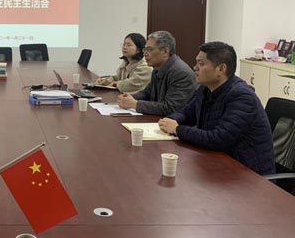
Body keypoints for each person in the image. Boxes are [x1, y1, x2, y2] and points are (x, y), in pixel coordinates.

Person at [159, 42, 275, 175]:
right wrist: (170, 121)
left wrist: (177, 129)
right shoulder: (206, 88)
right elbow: (186, 114)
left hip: (248, 174)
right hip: (217, 162)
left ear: (221, 69)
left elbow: (218, 139)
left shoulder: (242, 97)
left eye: (201, 64)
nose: (195, 67)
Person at [117, 30, 197, 116]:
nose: (145, 54)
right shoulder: (157, 68)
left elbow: (171, 108)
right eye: (145, 49)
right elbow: (147, 93)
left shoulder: (180, 72)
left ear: (165, 51)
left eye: (149, 49)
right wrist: (130, 97)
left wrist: (135, 104)